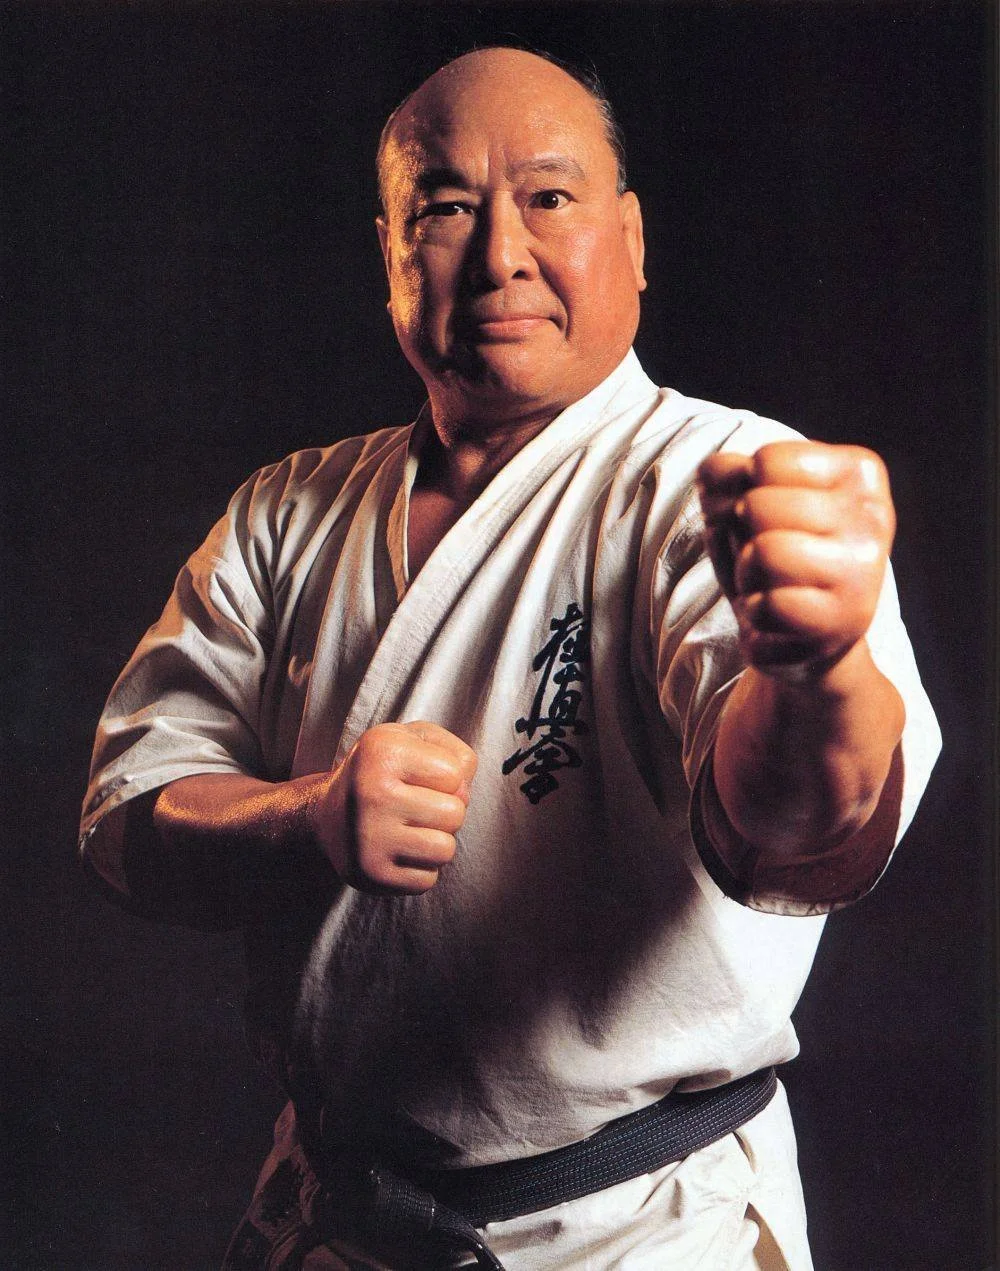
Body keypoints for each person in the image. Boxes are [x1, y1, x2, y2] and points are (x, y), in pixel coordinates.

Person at [80, 46, 940, 1271]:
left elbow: (796, 841)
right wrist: (304, 816)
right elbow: (123, 821)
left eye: (548, 196)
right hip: (336, 1216)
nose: (497, 256)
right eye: (443, 207)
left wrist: (819, 672)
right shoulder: (288, 509)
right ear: (387, 249)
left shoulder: (716, 478)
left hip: (635, 1229)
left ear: (632, 241)